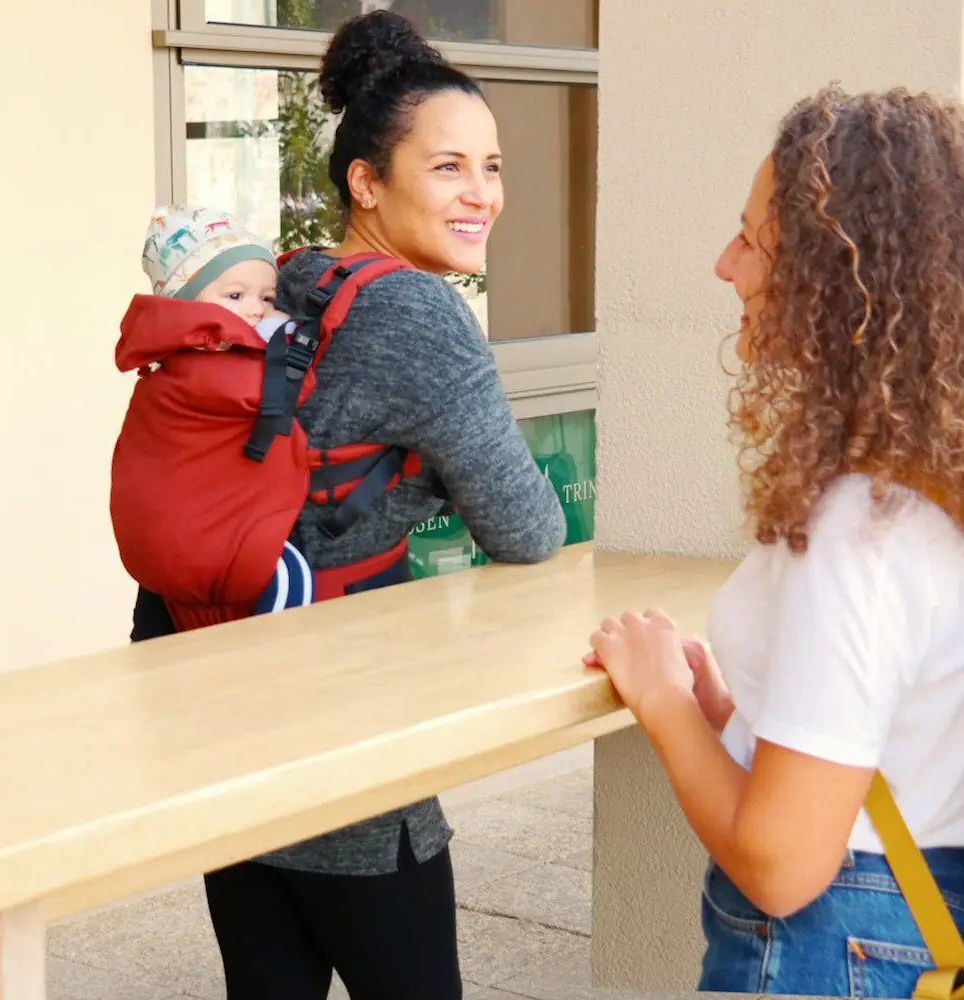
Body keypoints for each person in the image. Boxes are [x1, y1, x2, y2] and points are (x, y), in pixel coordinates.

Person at [128, 9, 566, 1000]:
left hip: (224, 735)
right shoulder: (420, 314)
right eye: (448, 167)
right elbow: (529, 528)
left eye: (491, 166)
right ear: (366, 182)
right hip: (346, 756)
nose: (482, 194)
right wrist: (433, 485)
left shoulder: (286, 281)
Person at [587, 86, 964, 998]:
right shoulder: (928, 495)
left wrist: (663, 702)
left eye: (752, 240)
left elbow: (781, 866)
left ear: (836, 283)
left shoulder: (861, 529)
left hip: (829, 950)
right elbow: (896, 742)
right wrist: (732, 712)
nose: (725, 265)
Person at [113, 204, 316, 632]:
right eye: (235, 296)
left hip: (182, 540)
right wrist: (287, 338)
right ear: (186, 301)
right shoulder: (203, 363)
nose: (257, 310)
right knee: (290, 576)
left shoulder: (166, 361)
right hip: (211, 546)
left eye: (267, 298)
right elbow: (285, 393)